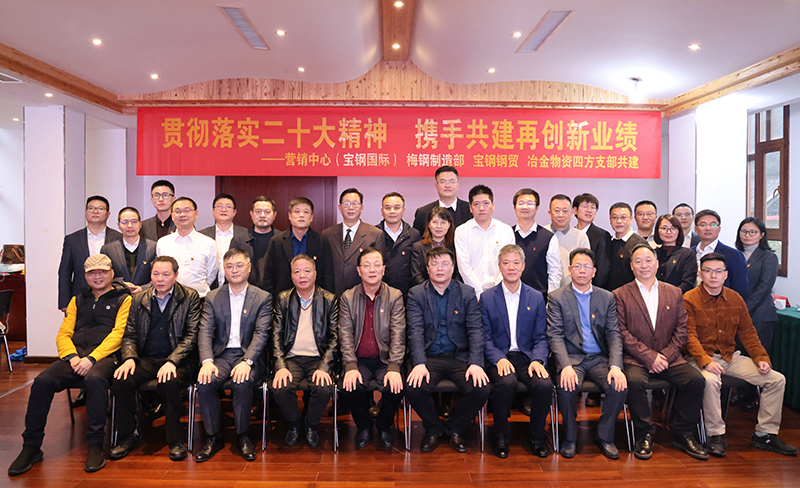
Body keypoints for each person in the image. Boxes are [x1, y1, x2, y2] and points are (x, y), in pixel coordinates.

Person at [9, 255, 131, 476]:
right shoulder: (77, 300)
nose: (98, 276)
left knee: (95, 379)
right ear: (85, 276)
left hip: (106, 357)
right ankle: (31, 446)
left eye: (102, 271)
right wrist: (72, 357)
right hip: (76, 358)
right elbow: (64, 333)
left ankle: (95, 445)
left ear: (112, 273)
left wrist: (92, 358)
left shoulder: (124, 299)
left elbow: (118, 334)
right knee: (42, 382)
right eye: (92, 272)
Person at [684, 253, 796, 458]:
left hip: (729, 356)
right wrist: (706, 362)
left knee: (776, 379)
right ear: (700, 274)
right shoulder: (689, 299)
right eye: (708, 271)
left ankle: (765, 434)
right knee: (710, 380)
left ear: (726, 274)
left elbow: (748, 333)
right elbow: (689, 337)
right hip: (699, 358)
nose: (713, 276)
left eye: (718, 271)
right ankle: (715, 435)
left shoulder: (735, 299)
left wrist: (761, 358)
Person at [613, 244, 707, 461]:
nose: (643, 265)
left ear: (656, 264)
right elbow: (621, 332)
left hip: (669, 358)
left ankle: (683, 432)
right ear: (631, 266)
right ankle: (644, 433)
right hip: (636, 359)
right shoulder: (619, 294)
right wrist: (650, 357)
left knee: (695, 380)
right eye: (638, 261)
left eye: (648, 260)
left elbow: (682, 330)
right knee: (634, 382)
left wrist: (665, 356)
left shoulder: (674, 292)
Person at [109, 255, 201, 462]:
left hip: (179, 359)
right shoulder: (139, 299)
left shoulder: (190, 297)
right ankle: (128, 436)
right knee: (121, 379)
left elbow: (191, 336)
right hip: (147, 358)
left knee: (168, 382)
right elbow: (129, 335)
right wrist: (129, 358)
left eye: (166, 274)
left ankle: (175, 439)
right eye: (156, 274)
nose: (160, 279)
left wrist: (172, 361)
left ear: (176, 275)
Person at [405, 247, 490, 453]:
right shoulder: (416, 294)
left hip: (459, 356)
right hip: (429, 356)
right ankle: (433, 428)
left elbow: (476, 330)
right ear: (427, 269)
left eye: (445, 264)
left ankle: (455, 428)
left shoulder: (466, 293)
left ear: (453, 268)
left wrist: (476, 362)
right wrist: (419, 363)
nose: (440, 268)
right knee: (413, 388)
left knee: (481, 388)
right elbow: (415, 331)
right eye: (434, 264)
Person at [547, 248, 627, 460]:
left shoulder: (606, 297)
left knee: (618, 386)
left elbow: (614, 334)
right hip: (572, 358)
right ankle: (570, 437)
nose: (582, 271)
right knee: (566, 386)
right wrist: (565, 366)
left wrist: (615, 366)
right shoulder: (556, 297)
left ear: (594, 271)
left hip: (599, 358)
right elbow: (554, 335)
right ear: (569, 269)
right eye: (577, 266)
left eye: (587, 267)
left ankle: (605, 436)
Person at [195, 249, 272, 462]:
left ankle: (242, 435)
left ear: (249, 268)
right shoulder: (213, 297)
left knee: (242, 381)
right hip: (221, 356)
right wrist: (207, 361)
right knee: (205, 381)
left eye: (239, 265)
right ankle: (213, 436)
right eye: (229, 266)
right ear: (224, 270)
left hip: (248, 356)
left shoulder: (262, 297)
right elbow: (205, 331)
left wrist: (247, 361)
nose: (234, 270)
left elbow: (261, 333)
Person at [481, 245, 551, 459]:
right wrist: (498, 358)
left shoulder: (536, 297)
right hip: (500, 356)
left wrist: (538, 359)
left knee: (544, 385)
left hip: (527, 357)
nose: (511, 267)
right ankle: (500, 434)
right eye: (506, 263)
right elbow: (485, 337)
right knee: (506, 383)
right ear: (499, 266)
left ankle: (537, 435)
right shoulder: (487, 297)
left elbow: (541, 337)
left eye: (516, 263)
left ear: (523, 266)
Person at [339, 248, 406, 449]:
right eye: (367, 265)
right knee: (350, 385)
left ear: (384, 269)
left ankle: (384, 426)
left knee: (395, 385)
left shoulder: (394, 296)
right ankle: (364, 426)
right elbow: (345, 335)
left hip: (385, 359)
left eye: (377, 265)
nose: (372, 270)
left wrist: (394, 366)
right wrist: (350, 365)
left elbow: (398, 334)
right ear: (359, 270)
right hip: (359, 360)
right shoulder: (348, 297)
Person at [271, 254, 338, 449]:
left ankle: (310, 423)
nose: (302, 275)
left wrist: (325, 367)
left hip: (318, 358)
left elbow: (335, 338)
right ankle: (294, 423)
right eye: (297, 271)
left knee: (324, 388)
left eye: (307, 271)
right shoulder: (283, 299)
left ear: (315, 274)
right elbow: (275, 336)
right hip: (291, 358)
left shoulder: (329, 299)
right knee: (280, 386)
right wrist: (281, 366)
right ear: (291, 276)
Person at [58, 195, 122, 311]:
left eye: (100, 208)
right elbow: (65, 272)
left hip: (111, 297)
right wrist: (64, 303)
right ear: (86, 212)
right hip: (80, 297)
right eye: (91, 208)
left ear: (108, 214)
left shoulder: (118, 238)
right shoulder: (72, 240)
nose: (95, 211)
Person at [322, 188, 385, 296]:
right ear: (339, 207)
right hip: (334, 295)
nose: (351, 207)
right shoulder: (327, 234)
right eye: (346, 203)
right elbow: (326, 270)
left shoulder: (375, 234)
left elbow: (378, 269)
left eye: (355, 204)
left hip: (363, 295)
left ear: (361, 208)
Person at [455, 185, 515, 298]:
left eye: (486, 203)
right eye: (476, 204)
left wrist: (495, 291)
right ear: (470, 207)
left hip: (501, 293)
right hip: (472, 294)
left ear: (493, 205)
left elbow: (508, 264)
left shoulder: (506, 230)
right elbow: (464, 267)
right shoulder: (461, 231)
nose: (481, 208)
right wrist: (479, 293)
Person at [261, 197, 325, 298]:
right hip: (282, 300)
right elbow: (268, 276)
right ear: (289, 215)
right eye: (297, 211)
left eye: (306, 212)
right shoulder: (277, 241)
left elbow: (327, 275)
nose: (301, 215)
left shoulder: (321, 241)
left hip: (314, 299)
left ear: (311, 217)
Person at [156, 197, 218, 298]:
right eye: (177, 211)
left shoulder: (209, 243)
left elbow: (211, 274)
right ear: (172, 216)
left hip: (199, 299)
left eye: (187, 210)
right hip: (169, 299)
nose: (182, 215)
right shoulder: (163, 243)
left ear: (196, 214)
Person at [736, 217, 778, 354]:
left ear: (762, 235)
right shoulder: (735, 255)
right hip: (735, 313)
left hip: (759, 314)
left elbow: (764, 288)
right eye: (744, 231)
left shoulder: (769, 257)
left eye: (752, 232)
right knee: (737, 357)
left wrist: (744, 309)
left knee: (756, 356)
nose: (747, 235)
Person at [512, 188, 561, 298]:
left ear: (537, 208)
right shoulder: (507, 235)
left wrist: (552, 299)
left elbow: (554, 272)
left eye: (530, 203)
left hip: (539, 298)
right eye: (521, 203)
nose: (525, 207)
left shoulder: (548, 237)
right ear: (515, 207)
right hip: (510, 297)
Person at [199, 193, 255, 287]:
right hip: (208, 288)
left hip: (238, 287)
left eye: (228, 206)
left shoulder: (247, 235)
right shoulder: (202, 236)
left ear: (234, 212)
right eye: (219, 206)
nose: (223, 209)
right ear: (213, 211)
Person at [693, 209, 749, 298]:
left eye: (713, 225)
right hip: (692, 302)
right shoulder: (689, 253)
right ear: (695, 229)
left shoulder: (734, 255)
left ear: (719, 229)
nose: (708, 228)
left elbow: (740, 289)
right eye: (703, 225)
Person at [101, 207, 157, 294]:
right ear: (118, 225)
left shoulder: (153, 247)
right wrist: (121, 285)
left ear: (140, 224)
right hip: (118, 297)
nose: (130, 225)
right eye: (125, 222)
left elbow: (159, 275)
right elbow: (104, 277)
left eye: (134, 221)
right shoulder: (108, 249)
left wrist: (142, 289)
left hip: (146, 297)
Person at [377, 192, 421, 296]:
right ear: (382, 211)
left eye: (396, 208)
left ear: (403, 211)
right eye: (388, 208)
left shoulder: (414, 235)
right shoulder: (375, 234)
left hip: (408, 294)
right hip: (380, 294)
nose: (392, 211)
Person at [544, 194, 590, 288]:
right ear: (549, 213)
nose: (561, 215)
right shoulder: (542, 234)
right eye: (557, 210)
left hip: (572, 290)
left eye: (565, 211)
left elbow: (586, 266)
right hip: (545, 289)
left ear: (572, 213)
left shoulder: (581, 237)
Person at [412, 165, 472, 235]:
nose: (447, 185)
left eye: (451, 182)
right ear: (436, 185)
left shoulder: (470, 210)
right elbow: (417, 239)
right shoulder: (423, 213)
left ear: (458, 184)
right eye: (443, 182)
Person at [410, 206, 461, 286]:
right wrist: (430, 290)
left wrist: (448, 289)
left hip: (451, 290)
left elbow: (458, 274)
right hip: (424, 290)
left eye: (443, 222)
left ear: (449, 225)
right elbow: (416, 276)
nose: (439, 226)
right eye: (435, 222)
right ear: (428, 225)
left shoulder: (456, 247)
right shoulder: (418, 247)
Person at [606, 202, 647, 291]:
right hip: (609, 295)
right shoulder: (608, 241)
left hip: (631, 294)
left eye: (623, 217)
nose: (619, 221)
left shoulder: (639, 244)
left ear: (631, 219)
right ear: (610, 220)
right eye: (615, 217)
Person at [573, 193, 611, 289]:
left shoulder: (602, 235)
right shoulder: (570, 233)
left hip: (592, 288)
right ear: (575, 210)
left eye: (593, 207)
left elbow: (602, 268)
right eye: (585, 206)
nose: (589, 210)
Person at [653, 214, 697, 293]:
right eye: (664, 228)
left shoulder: (688, 254)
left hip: (678, 297)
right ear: (657, 230)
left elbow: (688, 283)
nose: (668, 232)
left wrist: (672, 296)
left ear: (679, 231)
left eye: (673, 228)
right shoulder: (652, 254)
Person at [248, 196, 277, 287]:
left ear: (274, 215)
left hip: (276, 292)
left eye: (267, 212)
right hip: (247, 292)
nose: (262, 215)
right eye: (258, 211)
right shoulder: (240, 240)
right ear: (251, 214)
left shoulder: (281, 240)